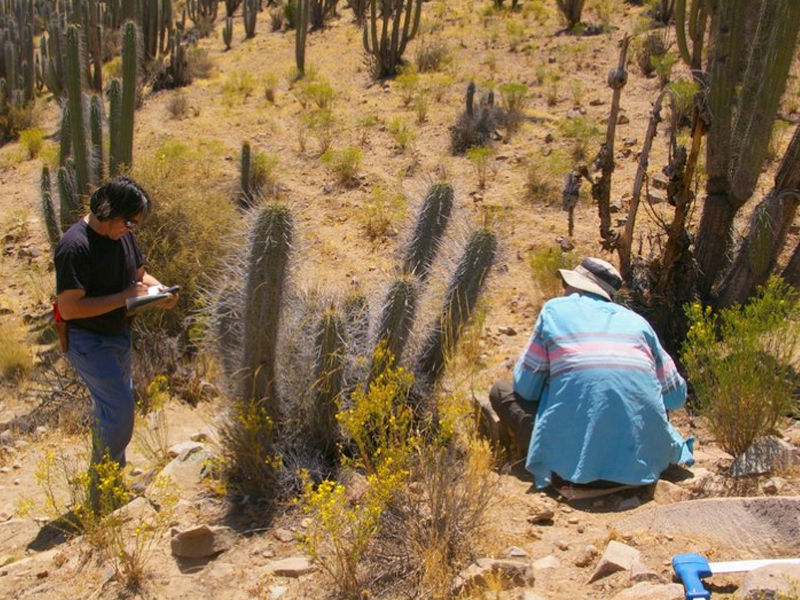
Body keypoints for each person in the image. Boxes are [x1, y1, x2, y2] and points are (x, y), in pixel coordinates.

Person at [489, 257, 693, 490]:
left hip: (575, 468)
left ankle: (559, 457)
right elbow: (676, 398)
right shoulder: (639, 324)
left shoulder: (554, 310)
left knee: (500, 390)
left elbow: (526, 388)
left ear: (576, 286)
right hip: (645, 465)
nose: (564, 290)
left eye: (567, 284)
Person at [55, 176, 177, 475]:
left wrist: (159, 291)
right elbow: (70, 309)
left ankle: (109, 478)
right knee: (120, 410)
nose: (131, 229)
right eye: (129, 222)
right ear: (108, 212)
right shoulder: (75, 247)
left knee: (110, 411)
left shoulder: (123, 235)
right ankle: (103, 483)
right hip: (87, 340)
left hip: (118, 334)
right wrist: (124, 298)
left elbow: (138, 276)